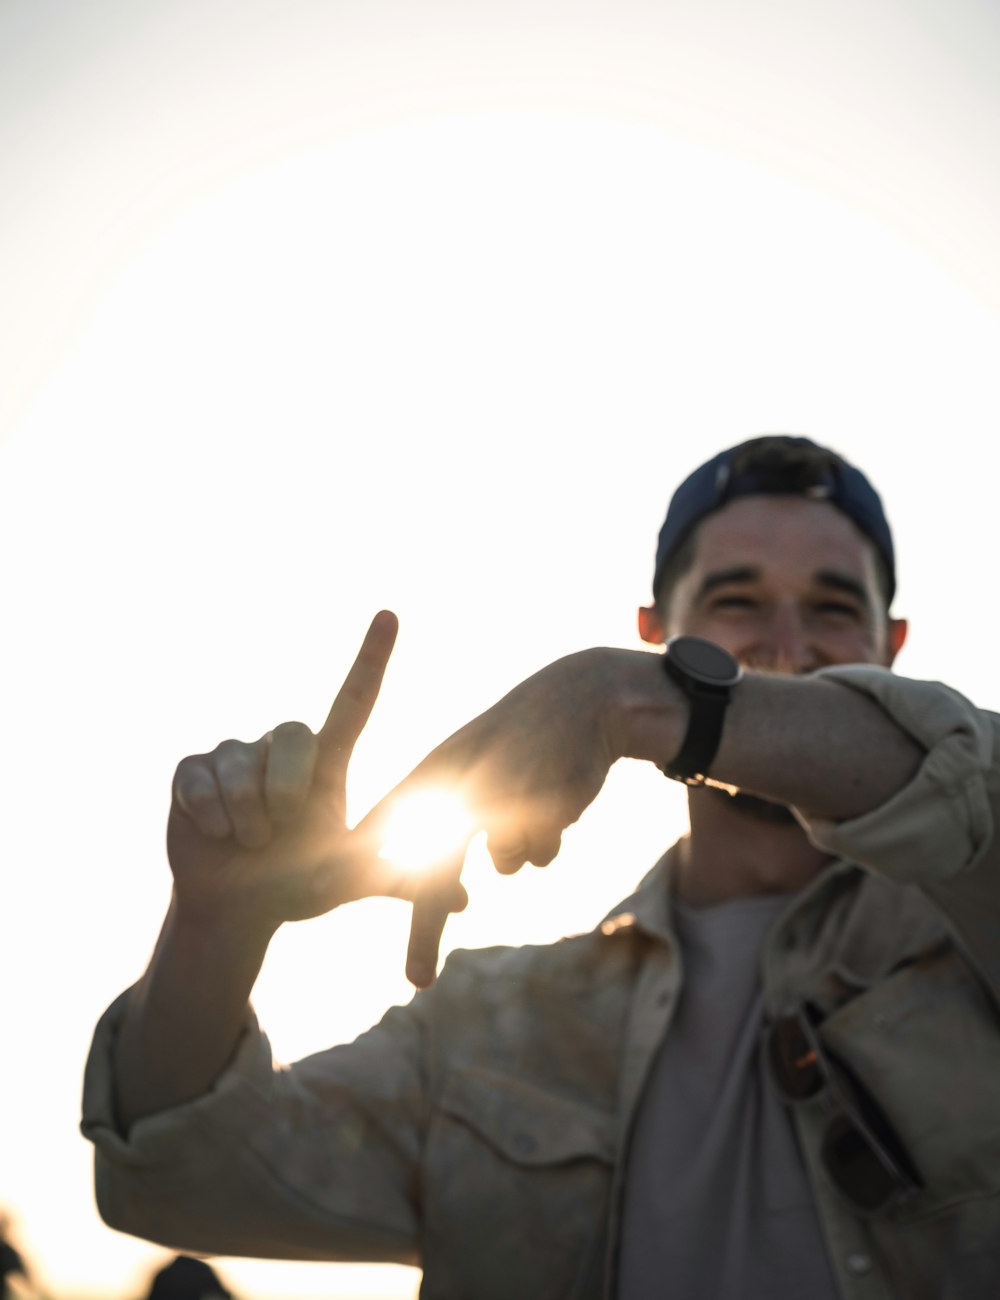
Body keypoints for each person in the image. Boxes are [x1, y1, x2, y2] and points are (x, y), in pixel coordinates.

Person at [82, 436, 1000, 1299]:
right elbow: (174, 1181)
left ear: (893, 648)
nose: (789, 648)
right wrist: (217, 922)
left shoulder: (966, 947)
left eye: (834, 609)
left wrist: (620, 699)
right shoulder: (498, 1029)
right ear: (658, 629)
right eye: (738, 602)